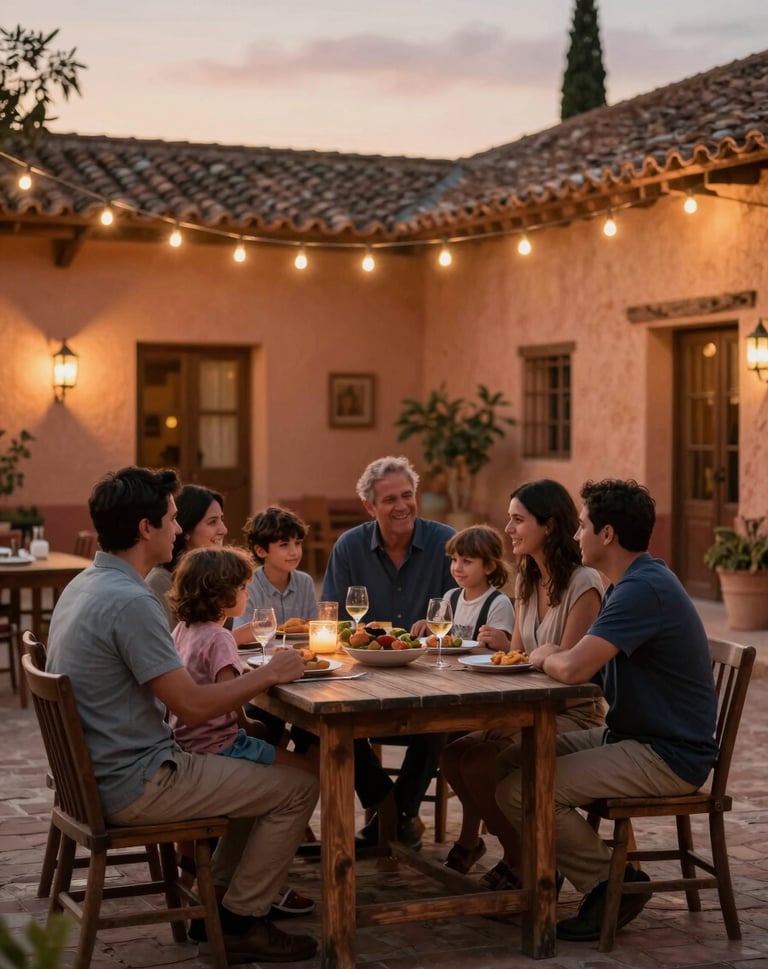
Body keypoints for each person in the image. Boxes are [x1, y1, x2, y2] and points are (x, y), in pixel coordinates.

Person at [46, 467, 319, 963]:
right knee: (299, 786)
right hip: (135, 782)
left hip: (96, 775)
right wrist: (270, 673)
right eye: (172, 519)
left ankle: (215, 902)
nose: (178, 529)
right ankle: (241, 921)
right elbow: (190, 704)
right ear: (146, 528)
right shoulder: (130, 600)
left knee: (257, 771)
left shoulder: (83, 584)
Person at [495, 479, 718, 942]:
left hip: (667, 753)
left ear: (608, 534)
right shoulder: (631, 583)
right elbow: (592, 670)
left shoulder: (642, 588)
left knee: (523, 790)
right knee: (508, 760)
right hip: (632, 736)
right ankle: (549, 869)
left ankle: (614, 884)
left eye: (582, 527)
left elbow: (575, 669)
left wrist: (543, 654)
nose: (576, 536)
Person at [440, 479, 605, 884]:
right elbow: (516, 658)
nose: (509, 530)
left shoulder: (584, 584)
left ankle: (526, 862)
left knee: (482, 762)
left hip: (572, 714)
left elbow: (569, 674)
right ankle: (523, 853)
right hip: (528, 705)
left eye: (518, 520)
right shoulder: (528, 578)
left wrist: (514, 714)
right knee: (453, 755)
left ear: (548, 526)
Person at [168, 544, 316, 920]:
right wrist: (248, 720)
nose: (248, 594)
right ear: (222, 594)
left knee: (279, 776)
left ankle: (222, 879)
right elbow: (228, 692)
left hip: (187, 741)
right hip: (221, 746)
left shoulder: (184, 629)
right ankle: (252, 891)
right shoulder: (220, 638)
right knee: (311, 774)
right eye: (244, 587)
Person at [321, 455, 455, 850]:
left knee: (441, 720)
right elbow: (337, 621)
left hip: (428, 678)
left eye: (408, 495)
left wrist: (434, 635)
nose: (402, 506)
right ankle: (392, 807)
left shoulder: (446, 543)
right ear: (370, 506)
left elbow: (461, 617)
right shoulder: (350, 547)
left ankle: (395, 817)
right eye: (389, 499)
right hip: (365, 680)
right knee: (330, 727)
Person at [231, 506, 318, 646]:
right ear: (260, 551)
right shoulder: (248, 585)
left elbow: (314, 627)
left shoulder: (305, 582)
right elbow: (239, 636)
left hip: (299, 656)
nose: (294, 552)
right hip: (257, 658)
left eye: (297, 543)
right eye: (284, 545)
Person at [146, 484, 227, 626]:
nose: (224, 530)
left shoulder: (216, 576)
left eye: (222, 520)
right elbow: (175, 646)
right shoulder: (161, 582)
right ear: (187, 530)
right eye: (212, 522)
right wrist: (242, 635)